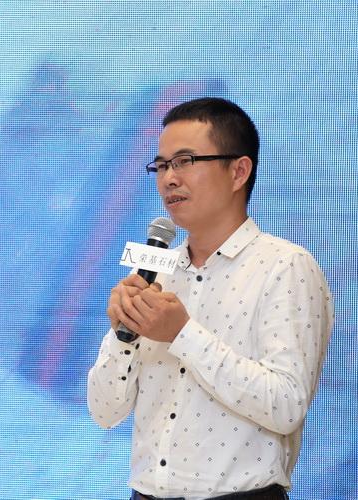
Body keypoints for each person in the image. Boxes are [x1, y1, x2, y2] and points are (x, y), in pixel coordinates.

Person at [87, 97, 334, 500]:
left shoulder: (285, 266)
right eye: (161, 165)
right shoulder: (156, 272)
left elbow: (286, 405)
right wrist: (122, 336)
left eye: (185, 161)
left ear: (238, 171)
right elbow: (104, 412)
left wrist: (181, 334)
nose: (169, 179)